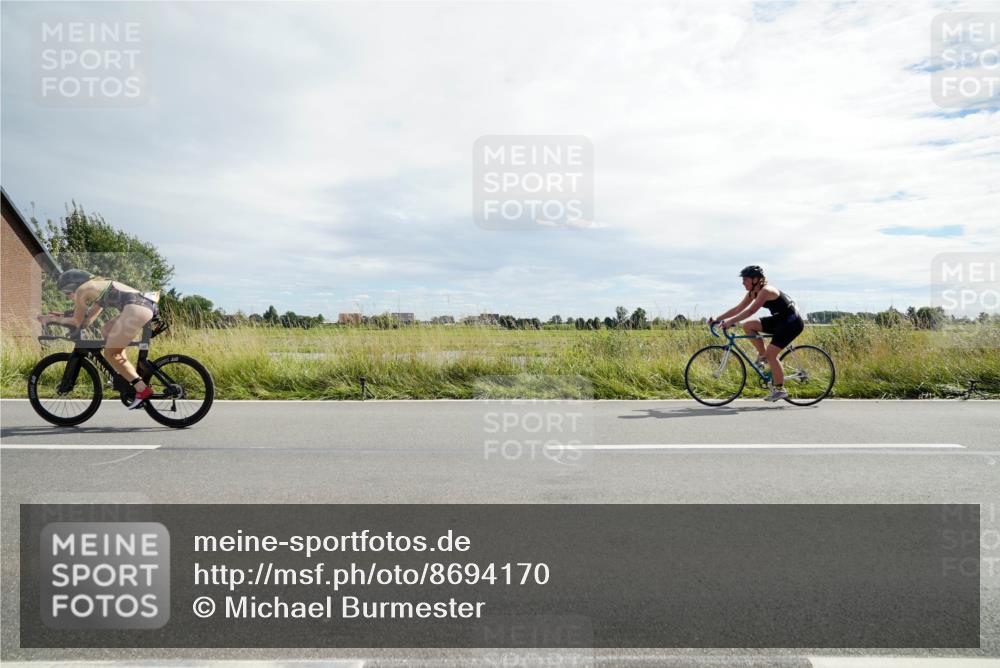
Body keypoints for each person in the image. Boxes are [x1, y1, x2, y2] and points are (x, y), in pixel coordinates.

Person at [38, 269, 158, 409]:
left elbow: (76, 322)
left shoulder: (82, 290)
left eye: (67, 292)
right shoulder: (97, 288)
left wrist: (50, 319)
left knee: (110, 353)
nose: (69, 296)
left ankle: (142, 390)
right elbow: (86, 321)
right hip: (142, 304)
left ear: (73, 285)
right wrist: (60, 317)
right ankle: (125, 374)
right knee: (106, 330)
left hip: (137, 307)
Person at [708, 265, 804, 402]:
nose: (743, 283)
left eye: (745, 279)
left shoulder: (766, 291)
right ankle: (763, 355)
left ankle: (779, 389)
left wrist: (729, 322)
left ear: (755, 280)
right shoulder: (753, 292)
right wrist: (718, 319)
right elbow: (737, 309)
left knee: (772, 354)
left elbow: (750, 311)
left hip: (791, 323)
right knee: (748, 326)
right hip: (779, 320)